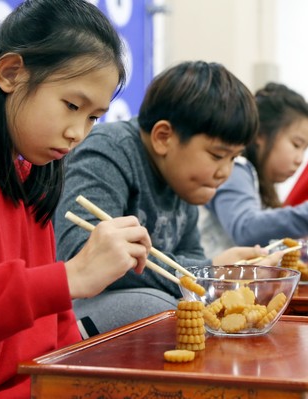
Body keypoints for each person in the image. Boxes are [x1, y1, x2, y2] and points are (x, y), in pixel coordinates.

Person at [0, 1, 152, 398]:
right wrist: (70, 277)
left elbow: (57, 325)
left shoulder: (31, 178)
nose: (78, 132)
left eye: (93, 117)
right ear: (11, 73)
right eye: (72, 106)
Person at [54, 61, 275, 334]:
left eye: (234, 158)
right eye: (217, 156)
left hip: (148, 298)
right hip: (76, 308)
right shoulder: (107, 150)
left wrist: (212, 275)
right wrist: (207, 271)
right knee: (162, 312)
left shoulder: (181, 177)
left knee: (205, 309)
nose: (225, 172)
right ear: (163, 137)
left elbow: (190, 255)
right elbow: (82, 254)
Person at [199, 83, 308, 257]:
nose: (300, 159)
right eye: (296, 145)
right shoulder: (236, 169)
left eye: (305, 149)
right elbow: (246, 229)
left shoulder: (260, 181)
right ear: (260, 135)